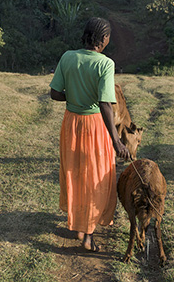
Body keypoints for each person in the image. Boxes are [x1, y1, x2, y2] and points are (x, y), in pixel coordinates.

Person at [49, 17, 130, 252]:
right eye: (108, 38)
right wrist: (116, 141)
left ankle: (78, 226)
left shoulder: (67, 57)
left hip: (71, 123)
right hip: (95, 126)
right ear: (103, 39)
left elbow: (55, 93)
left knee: (75, 174)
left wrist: (74, 97)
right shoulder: (105, 64)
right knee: (96, 177)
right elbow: (105, 103)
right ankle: (88, 235)